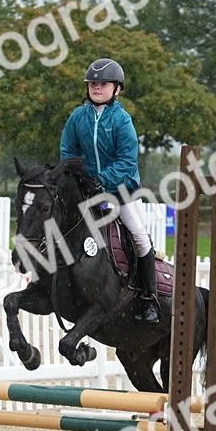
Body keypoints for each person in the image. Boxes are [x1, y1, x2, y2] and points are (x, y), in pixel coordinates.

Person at [59, 58, 159, 324]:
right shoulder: (77, 116)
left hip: (121, 190)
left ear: (117, 89)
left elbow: (127, 161)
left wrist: (102, 179)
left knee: (139, 236)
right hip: (88, 190)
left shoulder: (122, 119)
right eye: (93, 84)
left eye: (103, 84)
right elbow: (67, 151)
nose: (96, 88)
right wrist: (78, 178)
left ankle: (150, 299)